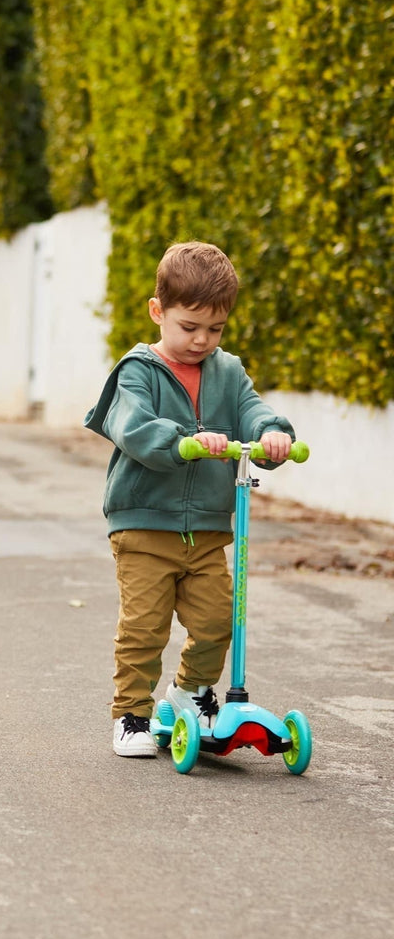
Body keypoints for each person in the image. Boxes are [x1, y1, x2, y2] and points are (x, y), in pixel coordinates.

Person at [83, 241, 294, 757]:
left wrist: (272, 435)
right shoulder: (137, 370)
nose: (202, 340)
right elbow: (131, 425)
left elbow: (252, 409)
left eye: (215, 329)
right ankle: (132, 714)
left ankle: (191, 692)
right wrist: (182, 441)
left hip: (206, 528)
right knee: (145, 625)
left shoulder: (228, 371)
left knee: (219, 619)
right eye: (189, 326)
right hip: (144, 526)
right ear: (159, 312)